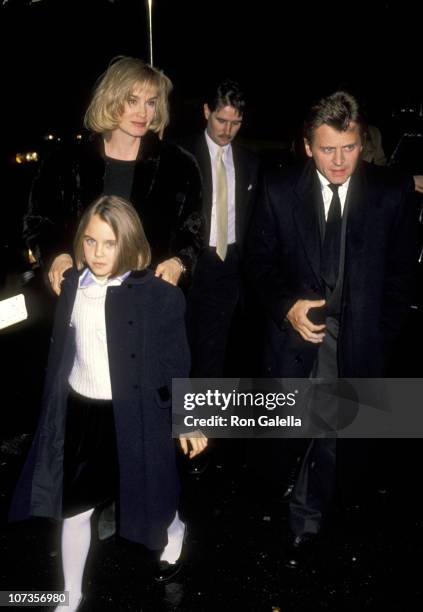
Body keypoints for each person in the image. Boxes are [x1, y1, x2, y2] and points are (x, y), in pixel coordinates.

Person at [10, 196, 208, 611]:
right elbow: (28, 319)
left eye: (109, 243)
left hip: (135, 417)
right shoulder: (71, 288)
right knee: (74, 511)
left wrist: (188, 420)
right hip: (83, 415)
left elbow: (177, 363)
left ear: (131, 244)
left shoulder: (160, 298)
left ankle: (174, 528)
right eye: (90, 242)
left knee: (152, 501)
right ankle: (70, 597)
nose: (98, 253)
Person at [246, 91, 417, 568]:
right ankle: (304, 516)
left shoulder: (391, 190)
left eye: (349, 148)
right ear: (307, 146)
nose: (340, 162)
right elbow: (258, 264)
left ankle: (336, 511)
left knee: (349, 431)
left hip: (362, 335)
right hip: (302, 334)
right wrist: (287, 307)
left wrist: (382, 332)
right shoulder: (279, 188)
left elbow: (403, 272)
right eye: (327, 150)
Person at [23, 56, 204, 294]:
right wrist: (57, 256)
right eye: (132, 101)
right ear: (111, 99)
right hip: (80, 296)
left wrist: (178, 263)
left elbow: (193, 232)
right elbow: (39, 222)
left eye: (151, 102)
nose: (143, 112)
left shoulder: (179, 166)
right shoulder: (65, 162)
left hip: (146, 301)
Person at [181, 79, 259, 474]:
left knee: (213, 358)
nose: (227, 130)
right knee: (183, 353)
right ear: (206, 113)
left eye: (236, 122)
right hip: (188, 266)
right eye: (222, 120)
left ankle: (200, 443)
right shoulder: (182, 155)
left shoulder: (249, 161)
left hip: (227, 268)